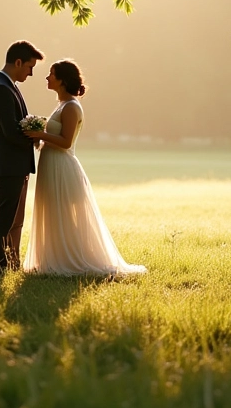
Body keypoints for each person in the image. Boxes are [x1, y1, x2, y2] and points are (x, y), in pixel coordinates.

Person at [22, 59, 147, 276]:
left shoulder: (71, 106)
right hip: (50, 163)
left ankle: (71, 259)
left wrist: (40, 134)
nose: (47, 78)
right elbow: (54, 138)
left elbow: (66, 142)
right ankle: (52, 257)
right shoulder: (61, 104)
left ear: (61, 80)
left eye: (51, 74)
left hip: (62, 166)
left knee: (63, 212)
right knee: (53, 211)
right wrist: (38, 140)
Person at [0, 40, 44, 274]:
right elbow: (9, 131)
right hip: (7, 164)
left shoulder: (7, 85)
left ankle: (3, 263)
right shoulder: (0, 88)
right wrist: (34, 136)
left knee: (7, 217)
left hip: (12, 163)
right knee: (3, 218)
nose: (30, 73)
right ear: (18, 62)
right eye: (29, 67)